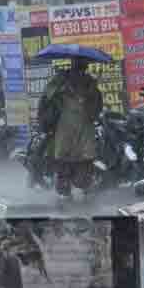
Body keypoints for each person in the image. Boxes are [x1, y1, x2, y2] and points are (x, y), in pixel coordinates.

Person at [38, 57, 104, 200]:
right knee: (82, 159)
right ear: (85, 66)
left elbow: (46, 99)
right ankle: (80, 187)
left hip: (67, 127)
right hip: (78, 127)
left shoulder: (61, 80)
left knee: (65, 159)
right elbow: (97, 108)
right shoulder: (88, 82)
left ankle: (65, 190)